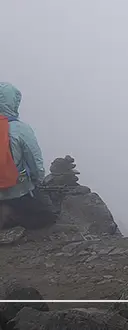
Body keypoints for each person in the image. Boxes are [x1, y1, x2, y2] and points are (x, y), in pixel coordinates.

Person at [0, 82, 56, 230]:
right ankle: (11, 217)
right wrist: (38, 181)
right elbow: (35, 162)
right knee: (48, 216)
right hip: (16, 191)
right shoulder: (20, 129)